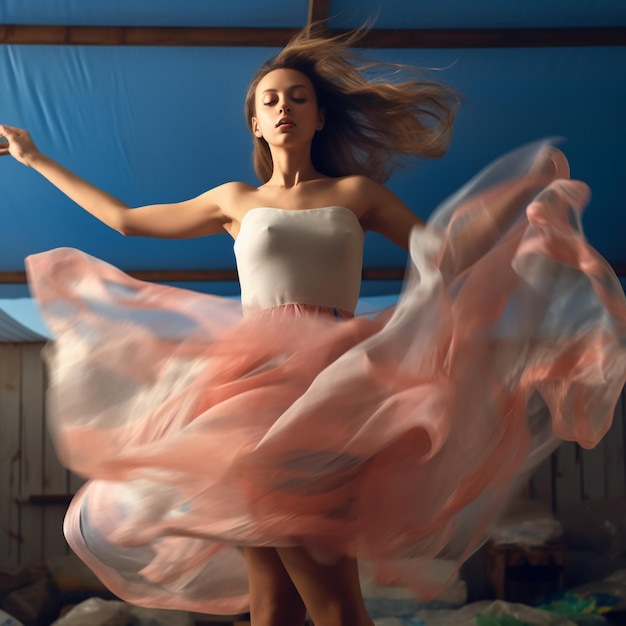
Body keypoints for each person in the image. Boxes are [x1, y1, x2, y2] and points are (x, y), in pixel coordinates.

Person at [1, 28, 625, 626]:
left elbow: (444, 251)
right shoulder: (234, 201)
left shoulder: (356, 193)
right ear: (255, 123)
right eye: (270, 100)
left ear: (319, 117)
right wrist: (36, 159)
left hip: (331, 392)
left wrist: (521, 200)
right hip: (251, 393)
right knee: (274, 610)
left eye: (298, 98)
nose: (284, 108)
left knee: (337, 608)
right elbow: (126, 221)